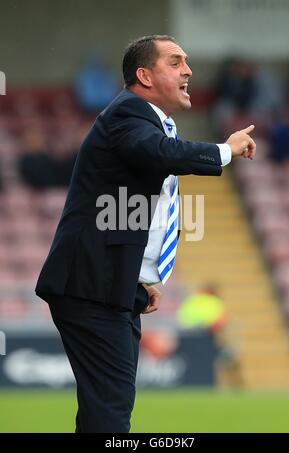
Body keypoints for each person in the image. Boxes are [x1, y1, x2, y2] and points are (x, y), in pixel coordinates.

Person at [35, 35, 256, 433]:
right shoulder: (129, 115)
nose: (188, 70)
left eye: (187, 61)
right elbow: (161, 154)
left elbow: (129, 205)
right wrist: (225, 150)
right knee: (111, 410)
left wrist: (138, 273)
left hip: (109, 284)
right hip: (91, 288)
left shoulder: (144, 121)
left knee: (104, 410)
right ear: (144, 75)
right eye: (175, 62)